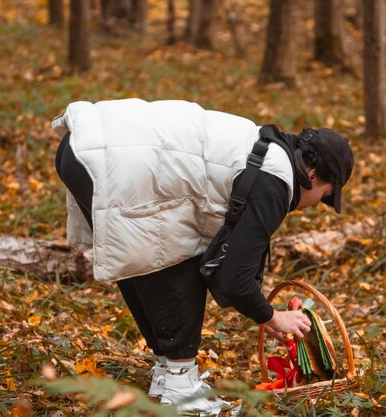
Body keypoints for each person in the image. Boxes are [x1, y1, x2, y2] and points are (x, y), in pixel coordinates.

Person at [52, 98, 354, 415]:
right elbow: (234, 279)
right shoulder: (275, 183)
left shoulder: (268, 150)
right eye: (324, 196)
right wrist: (274, 317)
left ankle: (169, 373)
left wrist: (263, 313)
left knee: (142, 253)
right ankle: (182, 390)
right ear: (312, 172)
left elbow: (230, 265)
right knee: (173, 254)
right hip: (108, 158)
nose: (314, 205)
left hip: (82, 146)